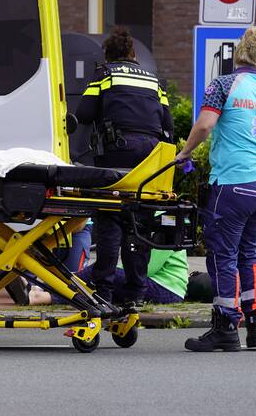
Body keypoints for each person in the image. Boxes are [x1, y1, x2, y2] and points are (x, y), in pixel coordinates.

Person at [177, 25, 256, 352]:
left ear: (240, 55)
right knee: (249, 252)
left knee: (224, 254)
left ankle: (225, 326)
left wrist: (184, 152)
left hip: (234, 183)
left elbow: (207, 124)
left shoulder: (223, 84)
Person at [75, 26, 173, 309]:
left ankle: (104, 290)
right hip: (149, 157)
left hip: (117, 151)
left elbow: (84, 114)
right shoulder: (154, 81)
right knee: (139, 223)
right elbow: (167, 125)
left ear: (108, 54)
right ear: (132, 54)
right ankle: (136, 291)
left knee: (110, 222)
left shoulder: (105, 75)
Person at [28, 248, 188, 306]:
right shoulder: (159, 220)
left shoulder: (162, 225)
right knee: (101, 286)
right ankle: (49, 290)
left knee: (103, 271)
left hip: (165, 289)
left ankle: (48, 293)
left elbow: (145, 269)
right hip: (160, 287)